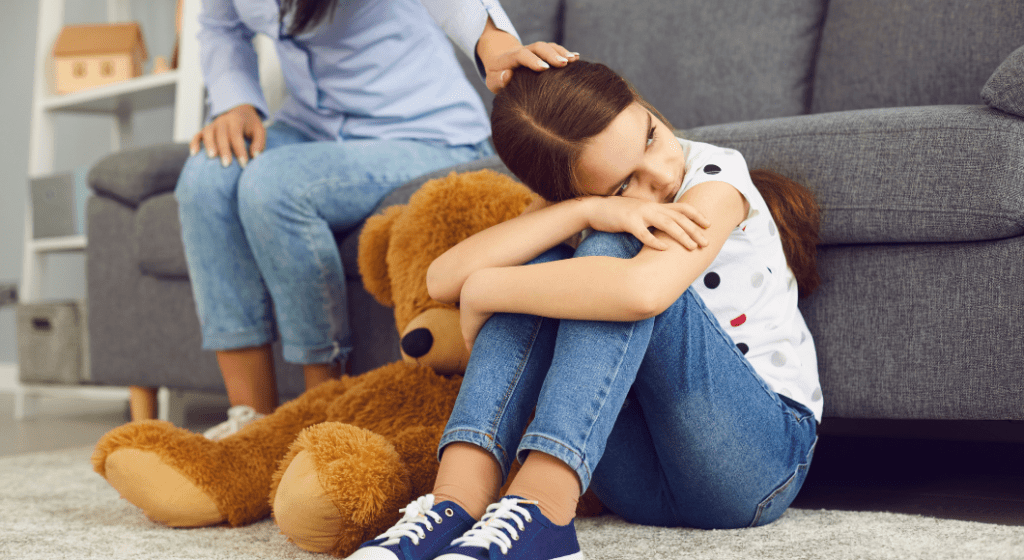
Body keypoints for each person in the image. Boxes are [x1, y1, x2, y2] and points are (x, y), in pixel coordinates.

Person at [346, 60, 823, 560]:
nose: (663, 174)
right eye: (622, 185)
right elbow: (442, 279)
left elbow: (644, 293)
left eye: (651, 137)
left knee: (607, 255)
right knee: (545, 257)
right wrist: (584, 212)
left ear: (642, 103)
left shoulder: (716, 177)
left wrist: (487, 289)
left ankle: (543, 510)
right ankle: (456, 502)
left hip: (758, 463)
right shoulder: (581, 204)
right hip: (634, 482)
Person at [143, 0, 580, 438]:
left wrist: (494, 42)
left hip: (423, 131)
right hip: (313, 125)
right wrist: (236, 103)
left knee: (273, 186)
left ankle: (321, 414)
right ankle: (252, 421)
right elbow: (221, 24)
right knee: (206, 178)